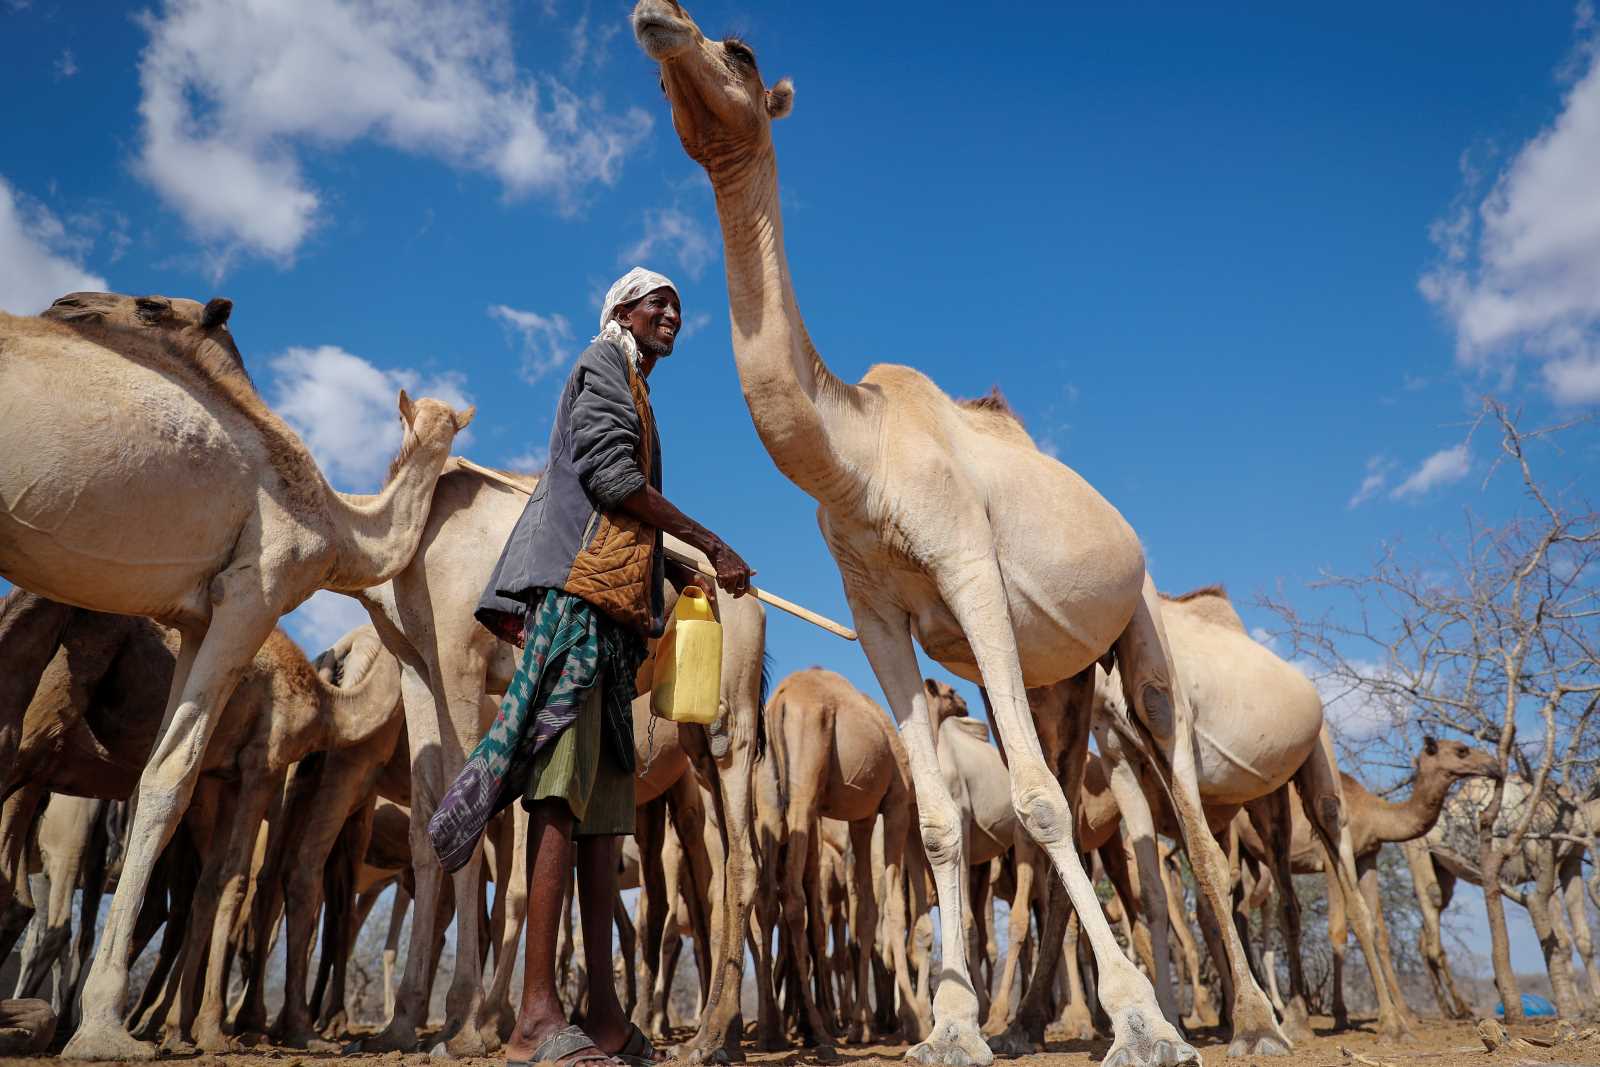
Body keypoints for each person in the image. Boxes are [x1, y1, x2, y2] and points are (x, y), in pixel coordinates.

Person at [428, 267, 753, 1067]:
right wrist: (707, 542)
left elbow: (624, 511)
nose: (672, 312)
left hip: (615, 620)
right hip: (575, 605)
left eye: (678, 304)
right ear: (621, 312)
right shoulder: (600, 366)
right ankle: (535, 1017)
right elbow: (611, 480)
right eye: (657, 302)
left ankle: (603, 1016)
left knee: (608, 811)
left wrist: (674, 571)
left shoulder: (637, 388)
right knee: (559, 798)